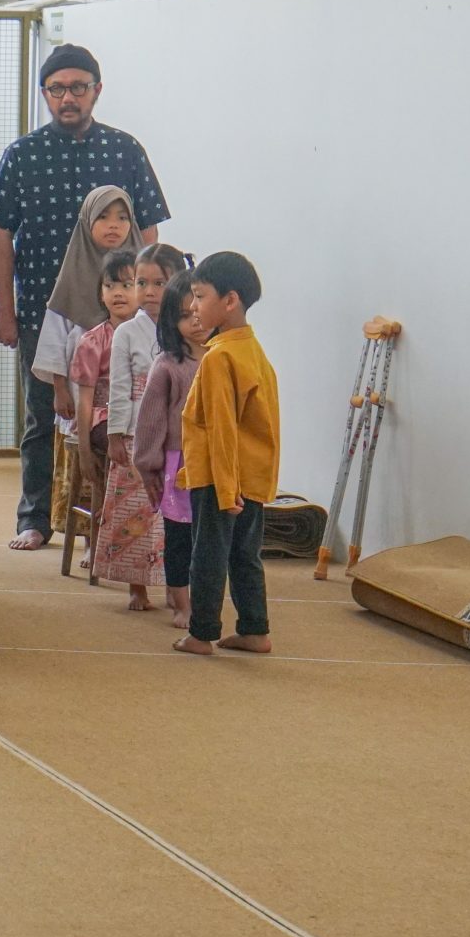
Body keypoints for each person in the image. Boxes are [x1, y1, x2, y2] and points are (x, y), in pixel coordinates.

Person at [0, 45, 170, 551]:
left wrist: (149, 300)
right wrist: (5, 311)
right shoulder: (21, 155)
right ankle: (35, 518)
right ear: (44, 93)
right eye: (57, 89)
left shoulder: (125, 151)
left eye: (78, 87)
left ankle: (115, 517)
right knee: (43, 416)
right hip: (47, 310)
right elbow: (1, 234)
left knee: (123, 414)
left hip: (122, 315)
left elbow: (149, 228)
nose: (68, 98)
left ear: (96, 91)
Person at [174, 251, 279, 658]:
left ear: (230, 300)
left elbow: (221, 427)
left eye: (200, 296)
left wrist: (225, 487)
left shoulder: (219, 357)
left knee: (208, 555)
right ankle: (255, 629)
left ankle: (201, 634)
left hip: (221, 479)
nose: (193, 306)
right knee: (245, 555)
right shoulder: (253, 350)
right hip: (249, 476)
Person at [91, 243, 180, 607]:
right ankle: (136, 586)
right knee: (136, 511)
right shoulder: (127, 332)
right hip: (135, 435)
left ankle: (177, 586)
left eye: (160, 283)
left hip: (176, 435)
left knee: (174, 513)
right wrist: (115, 435)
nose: (149, 291)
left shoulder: (187, 328)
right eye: (141, 283)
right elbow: (119, 386)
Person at [30, 186, 139, 432]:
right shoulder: (72, 277)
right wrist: (60, 390)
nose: (113, 225)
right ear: (87, 221)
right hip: (80, 395)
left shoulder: (144, 277)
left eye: (123, 218)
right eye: (103, 216)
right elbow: (54, 340)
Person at [135, 269, 207, 631]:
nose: (195, 321)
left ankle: (204, 601)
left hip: (217, 464)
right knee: (179, 538)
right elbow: (151, 420)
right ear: (169, 321)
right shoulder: (167, 365)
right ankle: (182, 605)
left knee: (207, 539)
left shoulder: (224, 357)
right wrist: (148, 464)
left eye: (198, 312)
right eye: (183, 315)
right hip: (179, 465)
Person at [68, 249, 143, 593]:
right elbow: (84, 401)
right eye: (110, 285)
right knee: (129, 450)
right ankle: (112, 539)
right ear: (100, 292)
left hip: (141, 416)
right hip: (102, 417)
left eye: (128, 284)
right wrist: (85, 451)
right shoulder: (92, 340)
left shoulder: (152, 334)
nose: (118, 293)